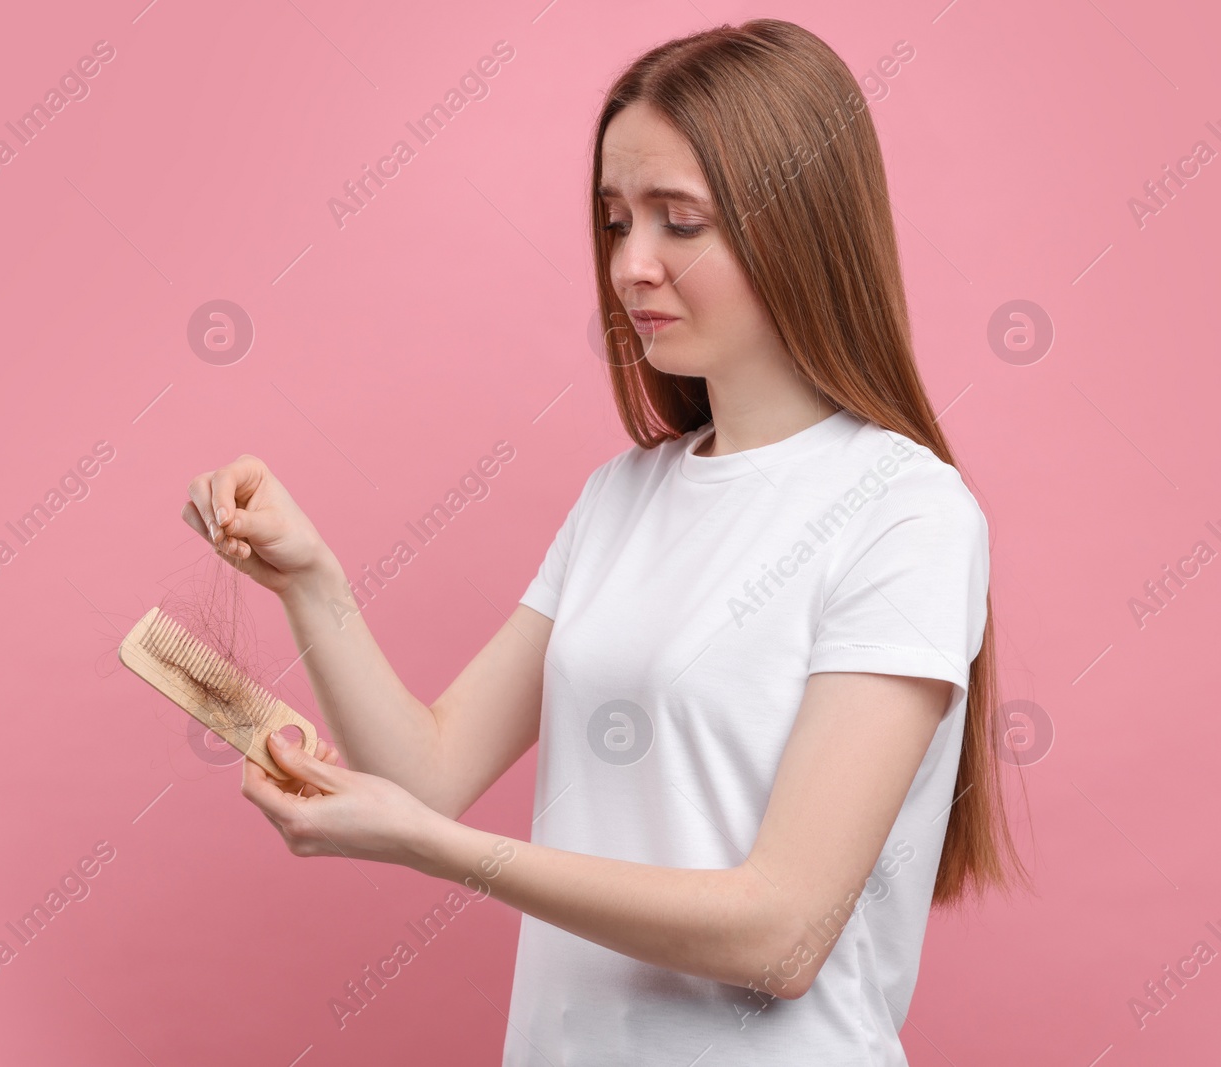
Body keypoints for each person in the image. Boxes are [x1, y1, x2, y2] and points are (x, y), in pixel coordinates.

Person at [182, 18, 1030, 1066]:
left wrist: (442, 853)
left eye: (680, 221)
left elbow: (782, 933)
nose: (631, 265)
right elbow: (429, 769)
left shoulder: (906, 512)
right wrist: (311, 582)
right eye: (616, 218)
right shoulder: (621, 497)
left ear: (800, 224)